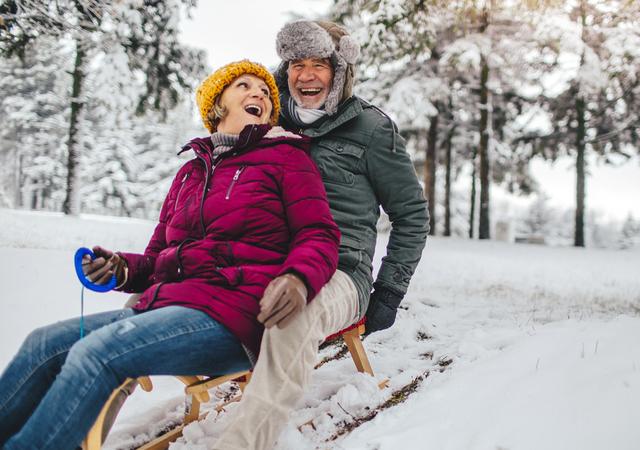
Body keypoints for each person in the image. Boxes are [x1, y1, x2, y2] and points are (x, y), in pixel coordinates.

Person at [0, 60, 341, 450]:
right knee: (43, 344)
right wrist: (122, 268)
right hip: (170, 304)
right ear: (217, 106)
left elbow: (319, 234)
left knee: (99, 353)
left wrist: (298, 278)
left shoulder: (286, 158)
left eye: (264, 92)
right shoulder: (190, 174)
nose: (259, 94)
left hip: (237, 312)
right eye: (244, 86)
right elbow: (157, 257)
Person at [214, 20, 429, 450]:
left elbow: (412, 215)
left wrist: (387, 291)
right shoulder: (264, 117)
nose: (306, 75)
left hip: (340, 271)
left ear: (340, 71)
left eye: (319, 65)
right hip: (267, 259)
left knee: (293, 310)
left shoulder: (371, 129)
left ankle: (242, 443)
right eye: (296, 64)